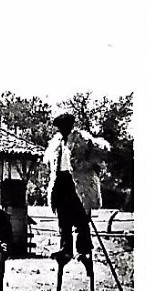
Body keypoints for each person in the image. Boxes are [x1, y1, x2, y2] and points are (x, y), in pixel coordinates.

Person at [43, 110, 111, 279]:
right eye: (60, 127)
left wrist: (86, 164)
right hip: (61, 181)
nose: (62, 130)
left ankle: (84, 250)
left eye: (64, 127)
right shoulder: (56, 142)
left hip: (78, 183)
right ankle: (66, 249)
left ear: (70, 125)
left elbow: (102, 152)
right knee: (63, 219)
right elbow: (48, 161)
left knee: (81, 219)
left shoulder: (82, 139)